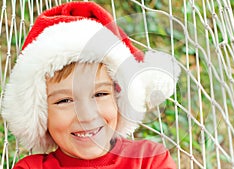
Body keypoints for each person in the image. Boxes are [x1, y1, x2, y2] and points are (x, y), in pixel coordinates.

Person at [1, 1, 180, 168]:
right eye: (64, 100)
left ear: (119, 98)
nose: (86, 116)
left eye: (99, 94)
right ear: (40, 114)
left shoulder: (148, 159)